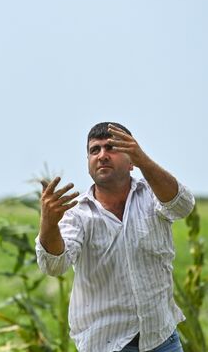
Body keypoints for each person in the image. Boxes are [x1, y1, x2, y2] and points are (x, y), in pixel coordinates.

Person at [36, 122, 195, 352]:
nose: (102, 155)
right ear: (88, 163)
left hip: (162, 339)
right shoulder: (77, 214)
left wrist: (145, 161)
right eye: (95, 150)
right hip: (106, 345)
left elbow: (182, 206)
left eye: (111, 148)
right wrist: (49, 223)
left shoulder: (152, 194)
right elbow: (54, 265)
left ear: (132, 161)